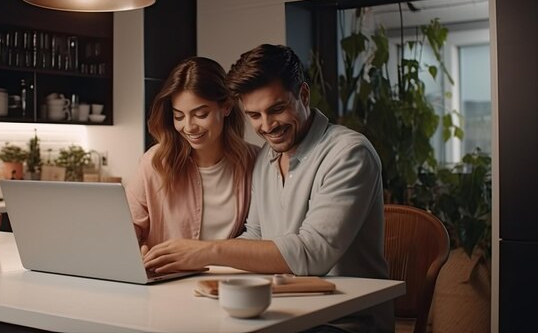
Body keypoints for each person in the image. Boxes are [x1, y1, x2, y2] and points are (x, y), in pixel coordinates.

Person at [143, 45, 392, 332]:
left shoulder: (349, 153)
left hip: (343, 322)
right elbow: (256, 235)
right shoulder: (266, 156)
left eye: (276, 109)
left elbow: (314, 252)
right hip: (284, 314)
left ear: (304, 95)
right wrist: (193, 264)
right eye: (254, 115)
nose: (267, 125)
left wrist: (205, 251)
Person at [126, 56, 259, 249]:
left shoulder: (255, 162)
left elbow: (262, 234)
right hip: (169, 278)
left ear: (226, 106)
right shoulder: (154, 162)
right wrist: (137, 250)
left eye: (200, 114)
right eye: (178, 116)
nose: (189, 127)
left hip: (229, 277)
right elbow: (126, 228)